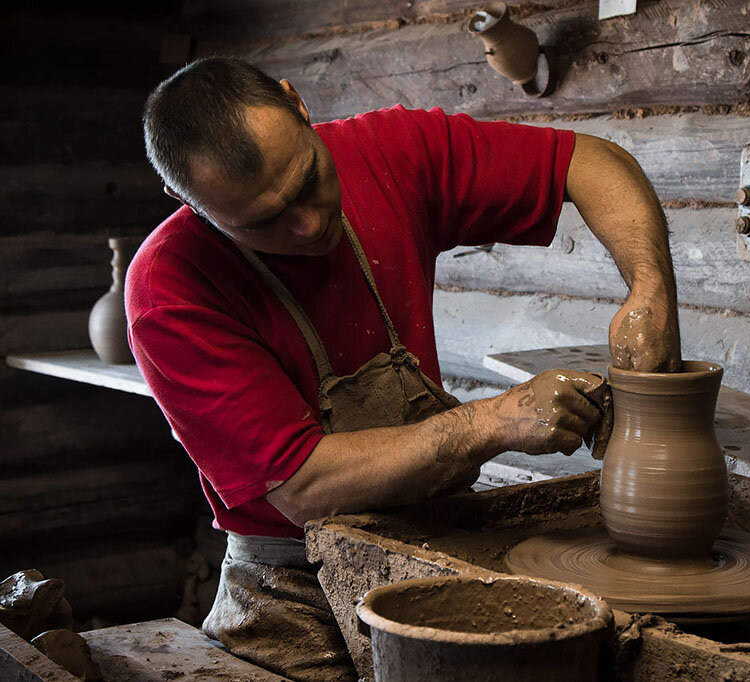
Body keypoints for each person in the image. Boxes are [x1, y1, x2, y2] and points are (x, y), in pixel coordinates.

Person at [128, 57, 681, 681]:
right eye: (261, 222)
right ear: (186, 200)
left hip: (442, 539)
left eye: (309, 180)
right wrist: (492, 423)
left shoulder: (389, 150)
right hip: (291, 582)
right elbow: (306, 488)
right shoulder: (169, 289)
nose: (309, 225)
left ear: (296, 104)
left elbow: (591, 163)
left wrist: (651, 289)